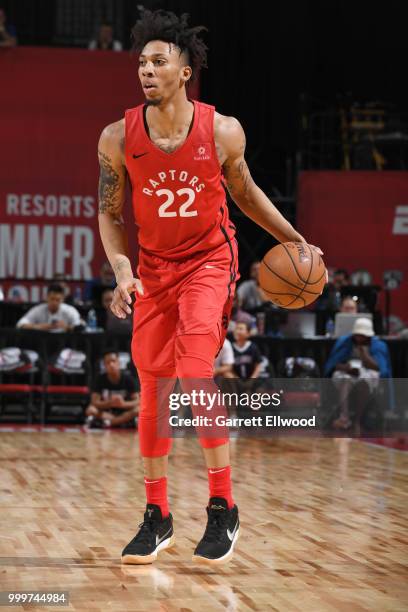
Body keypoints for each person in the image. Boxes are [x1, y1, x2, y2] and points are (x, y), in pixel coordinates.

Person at [97, 8, 323, 566]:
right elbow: (109, 212)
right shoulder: (115, 137)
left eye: (158, 61)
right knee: (153, 389)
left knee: (196, 371)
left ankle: (222, 505)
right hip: (154, 269)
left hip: (208, 262)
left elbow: (245, 195)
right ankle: (158, 515)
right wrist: (123, 271)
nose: (146, 70)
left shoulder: (221, 130)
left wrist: (296, 239)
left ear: (184, 70)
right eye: (141, 62)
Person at [324, 317, 392, 431]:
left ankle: (358, 420)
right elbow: (333, 363)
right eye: (358, 335)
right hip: (348, 371)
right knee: (345, 379)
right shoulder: (344, 342)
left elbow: (380, 368)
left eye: (363, 335)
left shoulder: (379, 345)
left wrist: (364, 354)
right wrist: (345, 368)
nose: (360, 338)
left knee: (365, 380)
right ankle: (344, 417)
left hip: (368, 371)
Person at [85, 350, 139, 429]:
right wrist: (110, 403)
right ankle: (119, 422)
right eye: (108, 362)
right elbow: (94, 402)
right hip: (107, 412)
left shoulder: (129, 379)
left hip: (124, 411)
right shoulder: (99, 379)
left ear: (119, 363)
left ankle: (110, 422)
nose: (111, 364)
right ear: (104, 365)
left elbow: (138, 401)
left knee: (139, 410)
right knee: (90, 410)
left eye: (113, 361)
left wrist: (123, 404)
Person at [16, 283, 81, 332]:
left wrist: (67, 327)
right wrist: (40, 326)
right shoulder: (38, 309)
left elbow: (80, 327)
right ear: (46, 297)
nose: (54, 303)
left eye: (57, 300)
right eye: (52, 299)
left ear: (63, 299)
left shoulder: (70, 311)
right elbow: (20, 324)